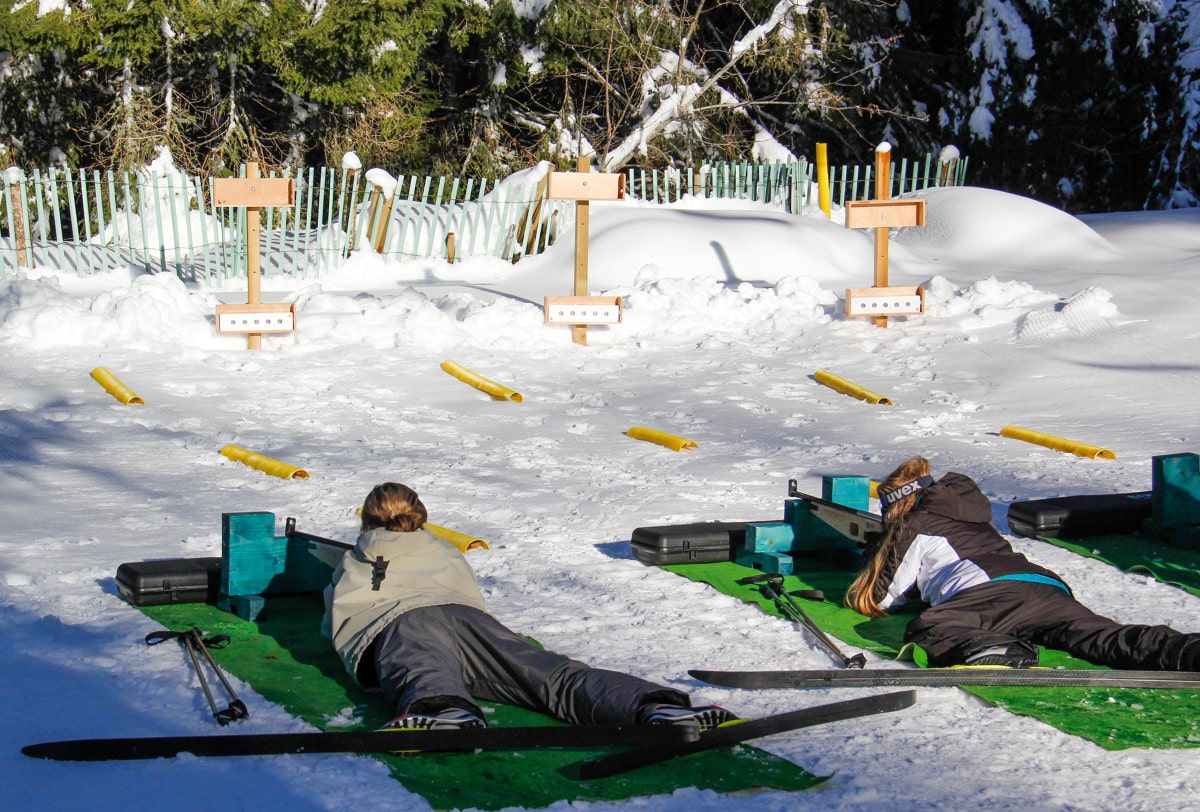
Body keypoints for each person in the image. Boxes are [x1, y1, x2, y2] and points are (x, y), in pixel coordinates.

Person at [323, 482, 736, 731]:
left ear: (367, 522)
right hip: (470, 622)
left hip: (401, 628)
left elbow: (336, 624)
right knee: (551, 674)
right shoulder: (445, 550)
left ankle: (444, 710)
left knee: (424, 670)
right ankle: (651, 705)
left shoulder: (355, 559)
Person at [845, 456, 1200, 670]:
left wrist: (880, 548)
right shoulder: (970, 515)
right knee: (1103, 637)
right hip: (1044, 585)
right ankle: (1187, 651)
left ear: (898, 505)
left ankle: (997, 648)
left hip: (987, 593)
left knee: (929, 626)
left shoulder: (916, 525)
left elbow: (880, 599)